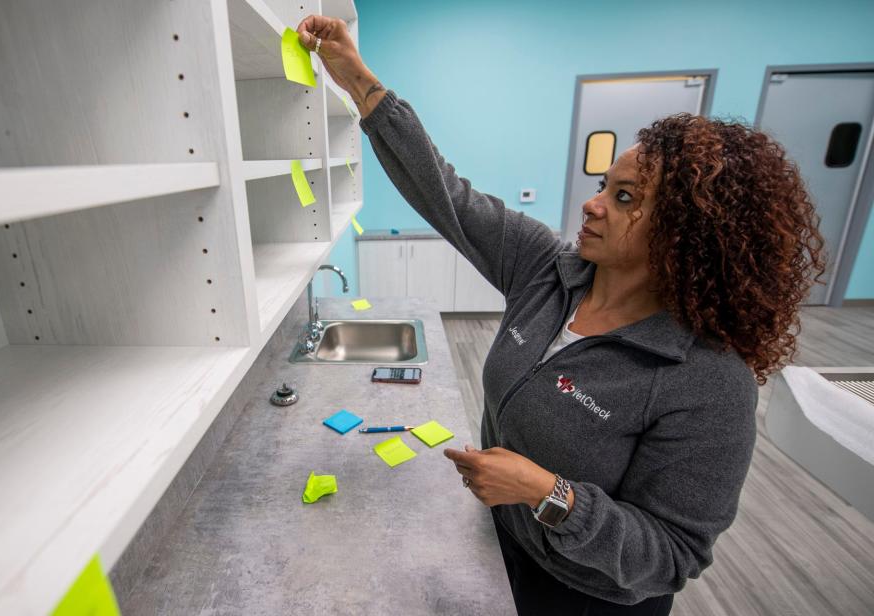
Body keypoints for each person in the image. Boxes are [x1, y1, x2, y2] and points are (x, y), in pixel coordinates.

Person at [297, 15, 826, 616]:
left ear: (690, 232)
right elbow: (447, 194)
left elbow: (672, 555)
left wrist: (550, 496)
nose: (593, 204)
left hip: (583, 597)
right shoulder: (548, 268)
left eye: (624, 198)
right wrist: (361, 84)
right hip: (500, 540)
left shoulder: (706, 380)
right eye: (605, 185)